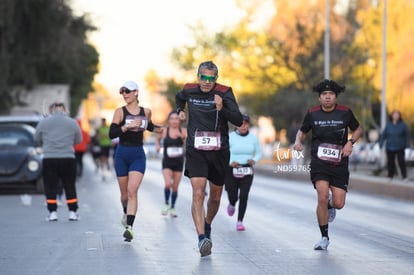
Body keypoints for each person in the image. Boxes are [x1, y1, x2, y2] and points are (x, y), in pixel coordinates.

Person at [175, 61, 243, 257]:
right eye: (203, 77)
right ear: (198, 77)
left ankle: (207, 223)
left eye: (210, 78)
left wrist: (222, 108)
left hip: (219, 151)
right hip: (196, 150)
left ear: (216, 78)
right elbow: (179, 98)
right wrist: (180, 110)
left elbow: (238, 120)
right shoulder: (189, 89)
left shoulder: (225, 92)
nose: (206, 82)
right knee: (198, 192)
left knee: (214, 198)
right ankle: (201, 238)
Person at [293, 79, 363, 250]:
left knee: (339, 203)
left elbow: (358, 129)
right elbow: (302, 131)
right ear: (319, 98)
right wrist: (297, 142)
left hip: (340, 162)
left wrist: (350, 143)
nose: (327, 97)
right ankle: (324, 237)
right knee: (322, 197)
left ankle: (331, 205)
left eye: (331, 94)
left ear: (335, 97)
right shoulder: (312, 113)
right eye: (324, 94)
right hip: (319, 162)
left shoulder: (345, 112)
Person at [109, 80, 160, 242]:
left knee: (132, 191)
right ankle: (126, 211)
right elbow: (112, 133)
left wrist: (165, 129)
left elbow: (150, 126)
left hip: (138, 154)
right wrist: (127, 127)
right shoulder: (120, 112)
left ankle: (130, 228)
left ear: (136, 92)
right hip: (122, 154)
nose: (124, 95)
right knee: (124, 195)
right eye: (122, 92)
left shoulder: (146, 111)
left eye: (127, 91)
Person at [34, 102, 82, 221]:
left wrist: (47, 143)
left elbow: (36, 139)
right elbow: (78, 139)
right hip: (68, 158)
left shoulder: (43, 122)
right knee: (69, 185)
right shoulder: (72, 122)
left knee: (50, 186)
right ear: (65, 110)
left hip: (49, 158)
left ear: (52, 110)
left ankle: (52, 212)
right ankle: (72, 211)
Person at [225, 114, 262, 231]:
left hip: (247, 168)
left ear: (249, 125)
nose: (243, 126)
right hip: (232, 169)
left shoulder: (253, 138)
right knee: (233, 194)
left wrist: (254, 160)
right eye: (241, 123)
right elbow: (224, 152)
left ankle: (240, 221)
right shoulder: (230, 137)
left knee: (244, 195)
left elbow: (258, 153)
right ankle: (231, 203)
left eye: (246, 124)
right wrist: (231, 161)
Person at [155, 111, 187, 218]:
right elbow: (157, 139)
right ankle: (166, 203)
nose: (174, 121)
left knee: (175, 187)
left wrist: (182, 138)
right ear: (168, 120)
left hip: (179, 162)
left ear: (180, 120)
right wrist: (158, 146)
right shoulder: (164, 131)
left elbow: (187, 144)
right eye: (172, 118)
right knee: (168, 184)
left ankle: (173, 207)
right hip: (167, 161)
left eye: (176, 119)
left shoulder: (183, 131)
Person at [379, 109, 411, 181]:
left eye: (397, 115)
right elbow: (384, 135)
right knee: (390, 163)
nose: (396, 116)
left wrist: (407, 144)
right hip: (390, 146)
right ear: (392, 116)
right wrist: (381, 143)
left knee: (401, 162)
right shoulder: (388, 125)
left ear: (399, 116)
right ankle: (390, 176)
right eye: (394, 114)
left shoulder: (403, 125)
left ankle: (404, 177)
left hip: (400, 146)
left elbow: (407, 135)